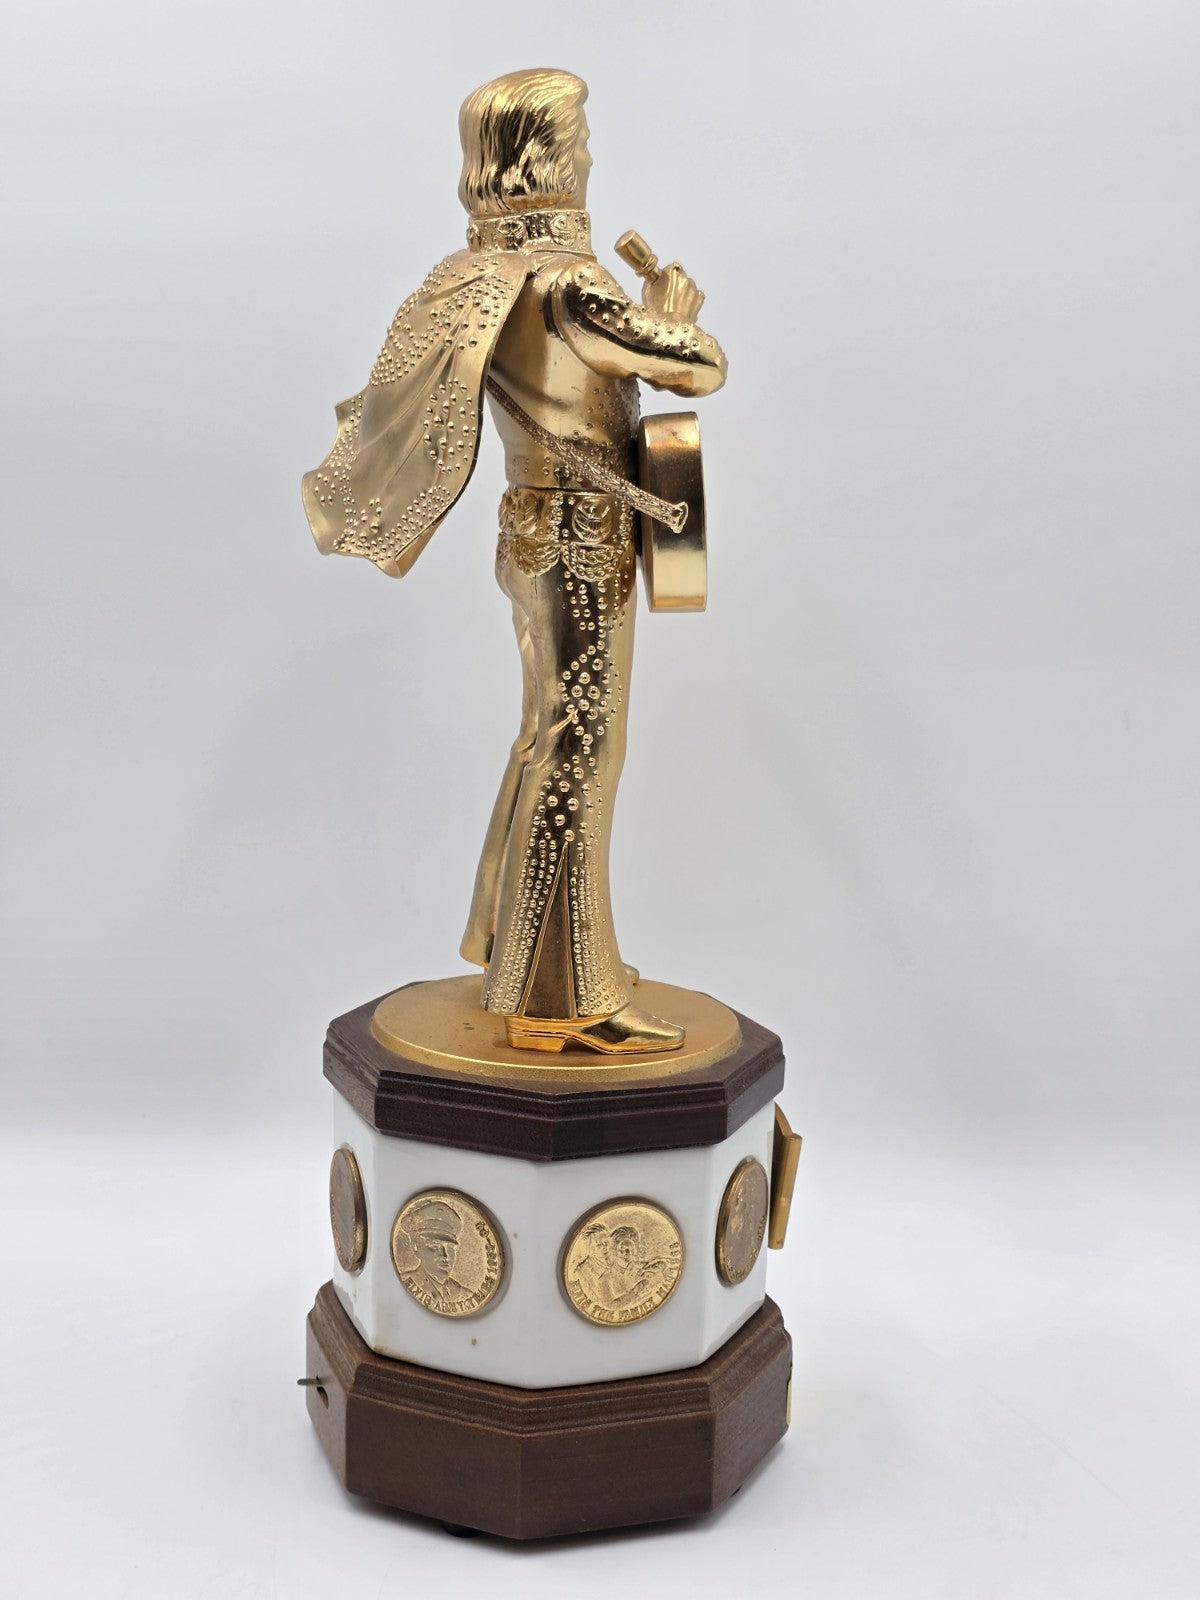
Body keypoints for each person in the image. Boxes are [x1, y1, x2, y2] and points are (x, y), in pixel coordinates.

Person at [303, 69, 727, 1054]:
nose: (591, 156)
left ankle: (523, 956)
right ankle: (563, 999)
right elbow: (700, 365)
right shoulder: (571, 281)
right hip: (584, 535)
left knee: (546, 735)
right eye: (581, 139)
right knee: (583, 747)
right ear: (551, 156)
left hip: (530, 525)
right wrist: (670, 308)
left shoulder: (476, 274)